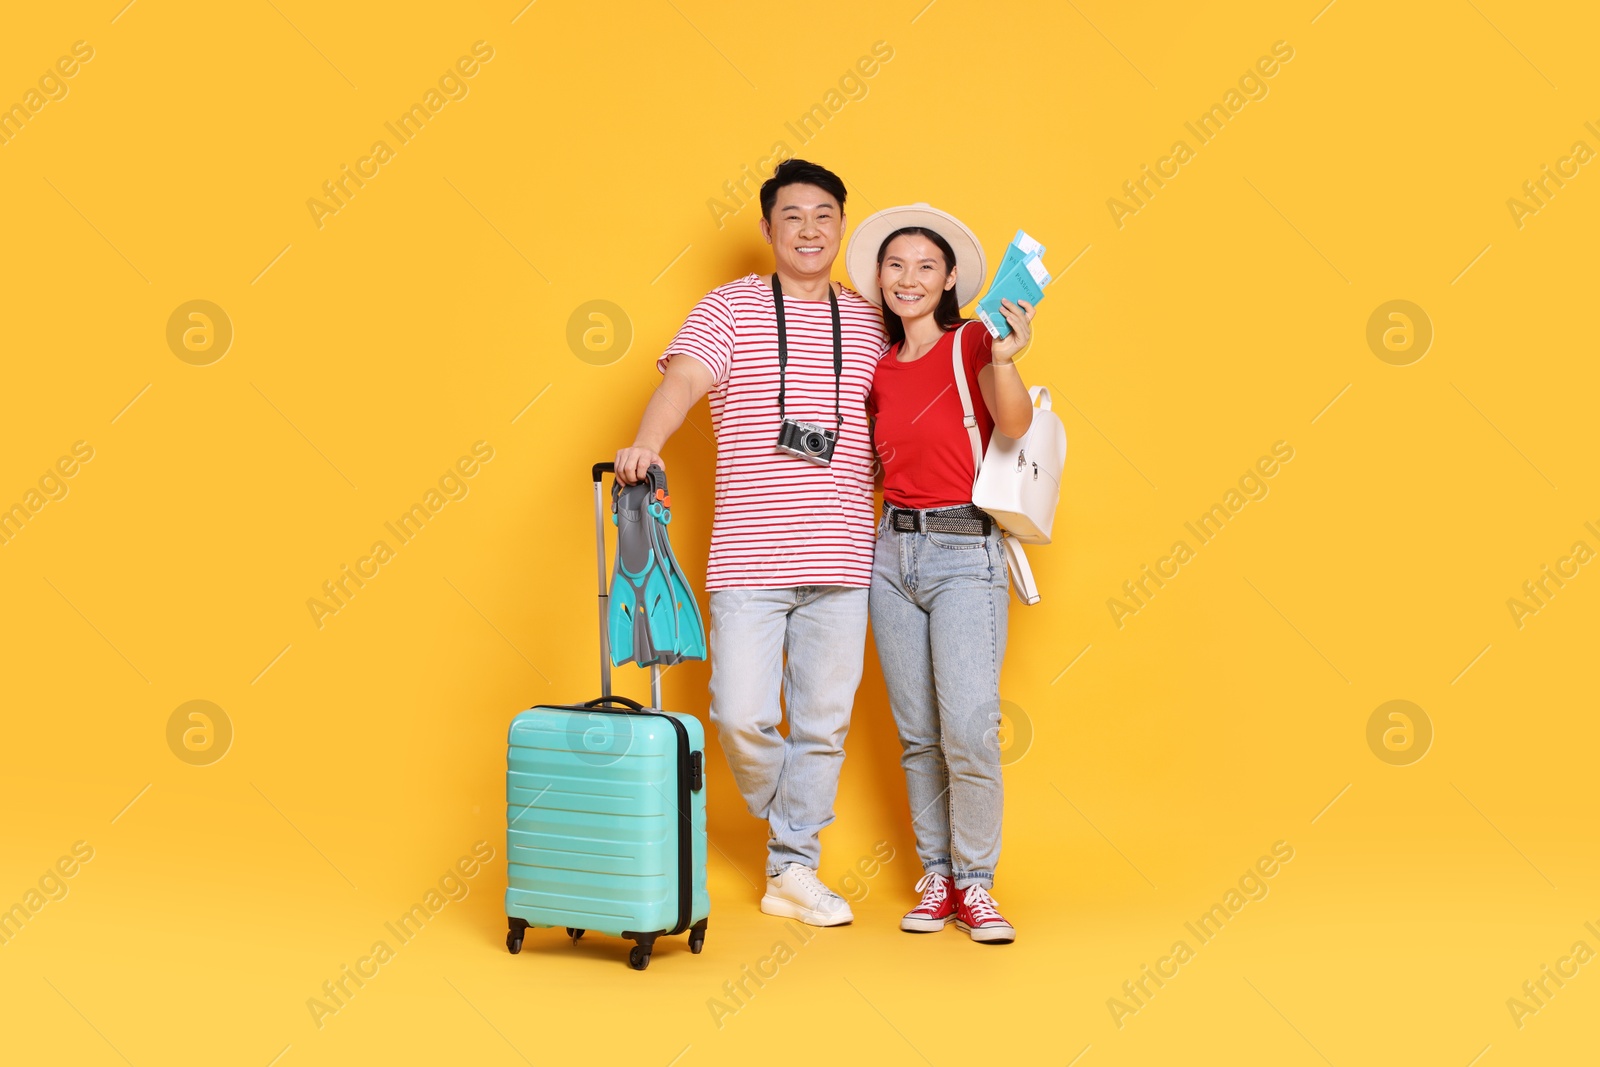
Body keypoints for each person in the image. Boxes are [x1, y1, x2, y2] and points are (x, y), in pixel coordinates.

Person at [615, 159, 888, 927]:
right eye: (793, 216)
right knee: (739, 713)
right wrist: (646, 443)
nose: (809, 229)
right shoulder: (728, 309)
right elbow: (681, 382)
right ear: (769, 229)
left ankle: (791, 869)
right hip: (749, 557)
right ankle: (791, 820)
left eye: (824, 215)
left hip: (842, 558)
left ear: (842, 226)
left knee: (823, 723)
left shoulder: (870, 317)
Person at [844, 204, 1038, 944]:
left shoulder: (973, 342)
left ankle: (978, 884)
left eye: (926, 265)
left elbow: (1013, 426)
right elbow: (875, 466)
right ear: (879, 279)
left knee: (968, 728)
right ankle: (938, 877)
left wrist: (1009, 358)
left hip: (965, 552)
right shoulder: (878, 369)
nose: (909, 278)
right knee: (919, 733)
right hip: (890, 555)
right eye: (896, 266)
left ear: (950, 277)